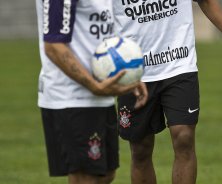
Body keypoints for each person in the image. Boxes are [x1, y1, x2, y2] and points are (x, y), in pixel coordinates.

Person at [113, 0, 222, 183]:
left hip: (179, 62)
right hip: (133, 69)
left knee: (184, 137)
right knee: (140, 149)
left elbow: (206, 2)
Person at [36, 0, 148, 184]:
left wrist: (127, 75)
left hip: (100, 95)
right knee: (86, 177)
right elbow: (53, 47)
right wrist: (94, 86)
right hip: (71, 96)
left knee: (105, 174)